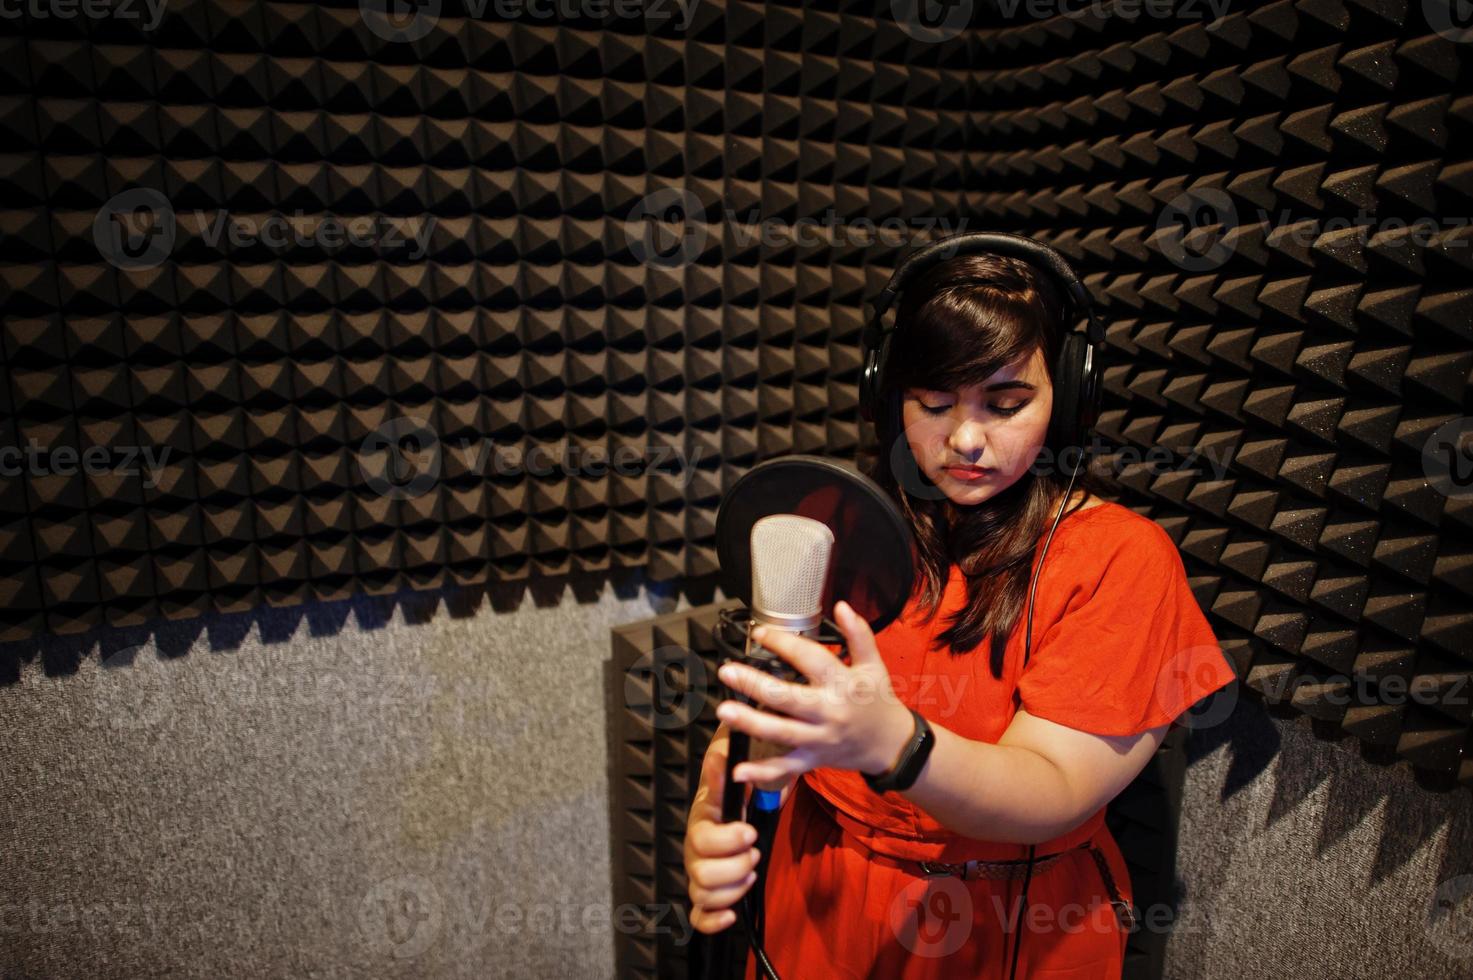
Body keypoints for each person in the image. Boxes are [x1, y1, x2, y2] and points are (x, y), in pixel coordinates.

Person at [682, 250, 1239, 978]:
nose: (966, 440)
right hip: (814, 899)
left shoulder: (1120, 558)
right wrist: (708, 815)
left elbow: (1055, 790)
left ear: (1068, 397)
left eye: (1005, 405)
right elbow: (762, 721)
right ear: (889, 400)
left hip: (1009, 928)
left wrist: (899, 746)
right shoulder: (838, 524)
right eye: (934, 404)